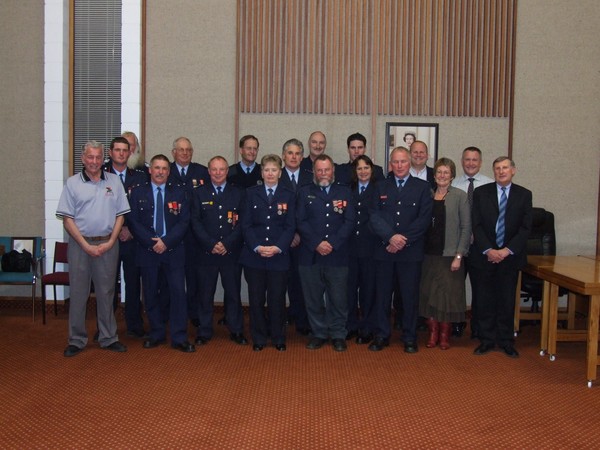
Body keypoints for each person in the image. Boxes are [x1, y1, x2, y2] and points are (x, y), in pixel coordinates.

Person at [57, 140, 130, 357]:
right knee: (78, 293)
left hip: (108, 244)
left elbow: (121, 215)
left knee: (106, 292)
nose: (94, 161)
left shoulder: (114, 182)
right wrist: (85, 244)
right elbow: (67, 219)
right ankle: (77, 339)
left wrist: (110, 241)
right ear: (83, 158)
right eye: (90, 157)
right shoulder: (72, 183)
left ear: (103, 158)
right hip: (80, 245)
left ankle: (108, 337)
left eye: (98, 157)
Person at [128, 154, 195, 353]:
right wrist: (152, 242)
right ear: (150, 170)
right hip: (147, 251)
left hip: (173, 250)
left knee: (177, 295)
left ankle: (179, 336)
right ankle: (156, 333)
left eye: (164, 169)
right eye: (157, 168)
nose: (160, 172)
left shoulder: (180, 192)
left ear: (169, 171)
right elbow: (133, 222)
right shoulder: (138, 193)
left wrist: (166, 241)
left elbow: (184, 222)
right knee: (150, 294)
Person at [368, 147, 433, 353]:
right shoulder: (380, 186)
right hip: (384, 251)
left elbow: (423, 220)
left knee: (409, 297)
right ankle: (382, 335)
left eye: (403, 161)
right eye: (395, 162)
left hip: (410, 252)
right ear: (390, 164)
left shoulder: (422, 187)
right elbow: (374, 217)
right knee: (382, 296)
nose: (399, 166)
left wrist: (402, 240)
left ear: (409, 162)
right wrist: (390, 237)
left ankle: (409, 336)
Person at [471, 156, 532, 358]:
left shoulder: (524, 195)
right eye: (497, 168)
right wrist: (489, 250)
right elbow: (476, 225)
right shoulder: (481, 193)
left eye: (505, 168)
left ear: (513, 170)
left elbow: (525, 228)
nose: (501, 171)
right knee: (484, 299)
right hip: (485, 256)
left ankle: (506, 341)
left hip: (510, 257)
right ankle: (487, 340)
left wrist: (506, 250)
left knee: (506, 301)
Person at [296, 154, 356, 352]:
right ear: (314, 172)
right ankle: (319, 333)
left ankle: (338, 333)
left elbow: (349, 222)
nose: (323, 173)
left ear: (333, 171)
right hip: (310, 254)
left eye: (327, 169)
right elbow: (301, 221)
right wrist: (317, 243)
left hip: (337, 254)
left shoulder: (345, 192)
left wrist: (332, 243)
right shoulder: (304, 192)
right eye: (319, 170)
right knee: (313, 298)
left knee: (338, 298)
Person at [240, 154, 296, 351]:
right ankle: (259, 338)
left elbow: (290, 226)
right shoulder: (250, 193)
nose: (270, 173)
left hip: (278, 256)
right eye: (266, 170)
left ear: (280, 173)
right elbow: (245, 225)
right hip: (254, 256)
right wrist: (257, 246)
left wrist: (278, 247)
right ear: (261, 172)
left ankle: (279, 337)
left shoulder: (289, 195)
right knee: (256, 299)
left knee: (277, 299)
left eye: (274, 170)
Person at [190, 156, 248, 346]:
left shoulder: (238, 193)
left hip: (230, 253)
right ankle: (204, 330)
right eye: (214, 169)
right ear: (208, 171)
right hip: (206, 253)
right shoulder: (199, 193)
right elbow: (195, 222)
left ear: (227, 171)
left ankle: (236, 329)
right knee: (205, 294)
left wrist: (227, 244)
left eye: (221, 169)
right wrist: (211, 244)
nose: (217, 173)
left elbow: (242, 223)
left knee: (233, 293)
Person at [419, 158, 471, 350]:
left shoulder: (460, 196)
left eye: (446, 172)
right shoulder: (427, 195)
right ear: (434, 175)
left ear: (452, 175)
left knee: (447, 297)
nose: (442, 176)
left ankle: (444, 335)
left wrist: (459, 255)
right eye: (439, 172)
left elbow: (466, 227)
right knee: (429, 295)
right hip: (428, 255)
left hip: (450, 255)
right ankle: (432, 333)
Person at [102, 136, 148, 338]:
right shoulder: (101, 175)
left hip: (132, 239)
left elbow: (143, 207)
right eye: (117, 150)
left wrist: (129, 228)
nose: (121, 153)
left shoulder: (139, 176)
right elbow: (99, 208)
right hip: (108, 237)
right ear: (110, 153)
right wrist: (115, 229)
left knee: (132, 282)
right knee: (107, 284)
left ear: (130, 153)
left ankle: (134, 325)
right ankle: (105, 327)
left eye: (125, 150)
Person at [451, 146, 494, 338]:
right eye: (467, 159)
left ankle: (478, 327)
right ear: (462, 161)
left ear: (480, 162)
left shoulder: (490, 184)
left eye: (474, 160)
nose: (470, 163)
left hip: (480, 246)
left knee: (481, 289)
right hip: (457, 245)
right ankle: (456, 323)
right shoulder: (454, 184)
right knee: (456, 287)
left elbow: (493, 218)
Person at [167, 137, 210, 326]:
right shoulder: (165, 170)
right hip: (171, 234)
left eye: (188, 150)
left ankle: (194, 314)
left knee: (194, 279)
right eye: (181, 150)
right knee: (168, 279)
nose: (185, 153)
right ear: (173, 152)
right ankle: (169, 314)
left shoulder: (201, 171)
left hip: (194, 236)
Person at [279, 138, 312, 335]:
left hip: (304, 241)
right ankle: (279, 320)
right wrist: (288, 235)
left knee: (301, 284)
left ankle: (302, 322)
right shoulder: (275, 176)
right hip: (280, 241)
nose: (294, 157)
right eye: (290, 153)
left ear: (302, 156)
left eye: (298, 153)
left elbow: (311, 210)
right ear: (283, 156)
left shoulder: (310, 177)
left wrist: (299, 233)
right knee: (279, 283)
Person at [346, 155, 380, 344]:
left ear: (371, 169)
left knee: (368, 291)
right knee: (350, 291)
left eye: (366, 167)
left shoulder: (378, 190)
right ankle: (350, 326)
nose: (363, 171)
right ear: (355, 171)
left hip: (370, 248)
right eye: (359, 168)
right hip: (350, 248)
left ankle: (367, 328)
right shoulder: (347, 190)